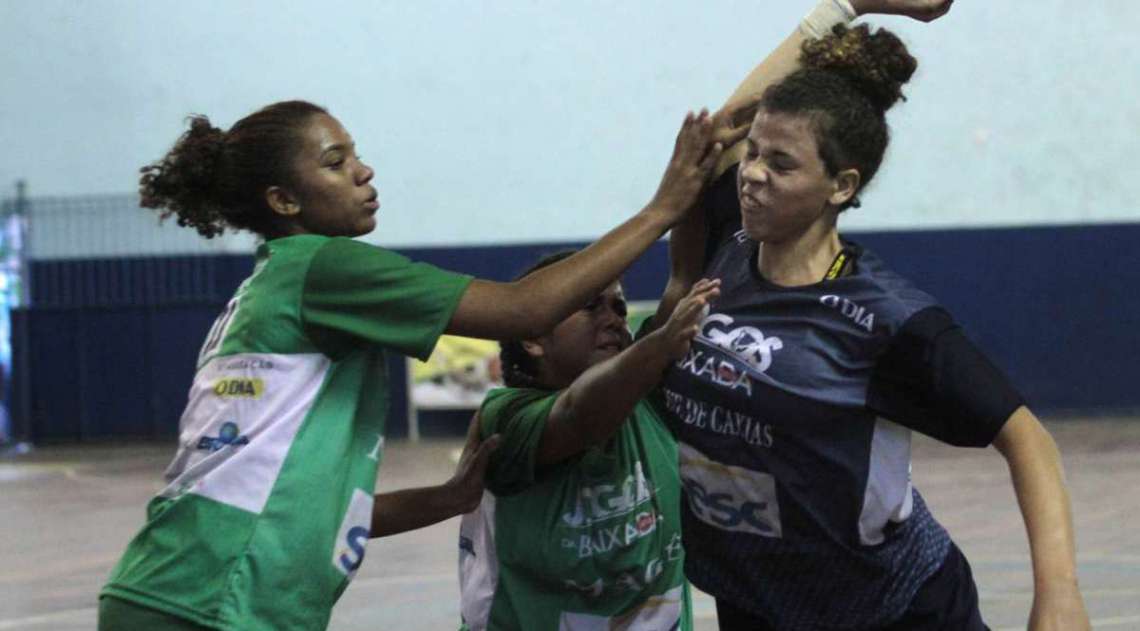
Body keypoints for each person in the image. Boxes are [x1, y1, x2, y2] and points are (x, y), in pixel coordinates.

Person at [97, 98, 748, 631]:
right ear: (284, 201)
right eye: (335, 160)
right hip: (214, 598)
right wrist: (662, 207)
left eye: (355, 153)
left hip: (183, 589)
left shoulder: (272, 291)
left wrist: (444, 498)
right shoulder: (321, 266)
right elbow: (524, 308)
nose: (364, 171)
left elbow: (303, 508)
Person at [658, 3, 1092, 630]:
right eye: (753, 154)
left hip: (889, 607)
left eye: (781, 164)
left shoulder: (887, 319)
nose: (751, 174)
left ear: (840, 186)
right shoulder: (728, 244)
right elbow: (719, 132)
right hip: (755, 597)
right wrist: (845, 6)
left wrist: (1059, 595)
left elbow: (1030, 442)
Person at [457, 250, 719, 630]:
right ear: (533, 337)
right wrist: (660, 344)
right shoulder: (504, 419)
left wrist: (695, 197)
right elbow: (578, 416)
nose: (614, 318)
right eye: (590, 306)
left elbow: (683, 276)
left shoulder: (646, 395)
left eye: (619, 306)